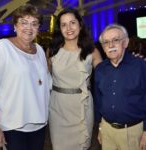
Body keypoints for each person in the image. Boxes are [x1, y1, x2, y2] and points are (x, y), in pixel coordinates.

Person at [0, 4, 51, 150]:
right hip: (13, 127)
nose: (29, 28)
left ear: (38, 28)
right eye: (24, 22)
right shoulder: (2, 48)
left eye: (34, 24)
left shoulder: (39, 50)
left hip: (38, 125)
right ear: (15, 26)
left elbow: (44, 84)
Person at [48, 8, 102, 150]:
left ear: (80, 24)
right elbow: (44, 79)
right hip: (58, 109)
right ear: (59, 28)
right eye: (64, 24)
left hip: (82, 108)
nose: (69, 28)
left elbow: (107, 78)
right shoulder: (52, 51)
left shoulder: (92, 51)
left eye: (72, 23)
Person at [94, 23, 146, 150]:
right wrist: (100, 128)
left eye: (115, 40)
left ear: (125, 42)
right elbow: (99, 100)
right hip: (107, 131)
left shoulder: (141, 67)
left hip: (133, 133)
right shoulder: (100, 70)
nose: (110, 45)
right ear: (103, 47)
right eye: (106, 42)